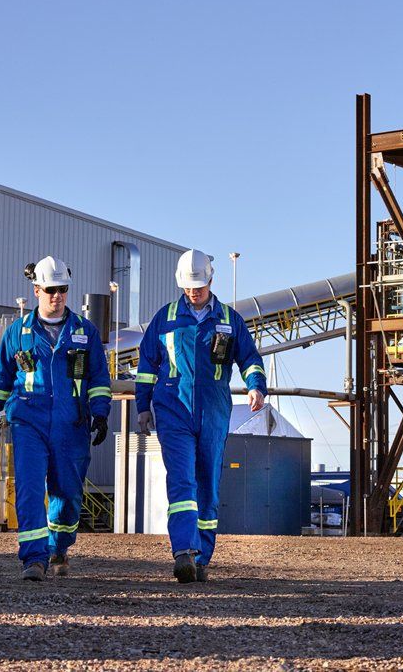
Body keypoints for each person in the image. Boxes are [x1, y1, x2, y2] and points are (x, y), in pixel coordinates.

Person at [0, 256, 112, 581]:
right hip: (29, 423)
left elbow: (98, 377)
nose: (57, 296)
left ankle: (59, 546)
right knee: (29, 488)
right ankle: (34, 560)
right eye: (50, 290)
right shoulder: (17, 334)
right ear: (36, 290)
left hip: (72, 426)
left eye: (63, 289)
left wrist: (101, 414)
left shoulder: (85, 332)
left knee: (67, 495)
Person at [135, 249, 267, 583]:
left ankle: (202, 557)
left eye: (200, 286)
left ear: (210, 280)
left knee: (207, 482)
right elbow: (147, 367)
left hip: (214, 410)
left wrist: (255, 386)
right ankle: (183, 551)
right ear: (181, 284)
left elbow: (249, 358)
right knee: (181, 478)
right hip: (172, 408)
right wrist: (142, 407)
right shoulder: (164, 319)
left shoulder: (228, 319)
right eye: (189, 287)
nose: (194, 292)